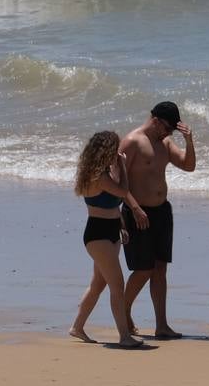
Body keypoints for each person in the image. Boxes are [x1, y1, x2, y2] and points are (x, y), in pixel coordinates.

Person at [120, 101, 195, 339]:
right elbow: (117, 181)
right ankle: (122, 311)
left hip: (162, 212)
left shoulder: (165, 143)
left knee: (160, 268)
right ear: (155, 120)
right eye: (167, 127)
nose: (169, 132)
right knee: (143, 269)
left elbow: (188, 166)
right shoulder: (133, 141)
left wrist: (189, 141)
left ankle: (161, 325)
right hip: (137, 213)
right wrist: (134, 208)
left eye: (173, 129)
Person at [69, 131, 148, 348]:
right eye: (114, 149)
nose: (118, 152)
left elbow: (113, 205)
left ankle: (77, 327)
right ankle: (124, 336)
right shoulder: (98, 177)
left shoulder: (103, 173)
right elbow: (123, 191)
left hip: (112, 230)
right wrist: (122, 166)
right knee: (117, 285)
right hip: (98, 235)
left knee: (98, 284)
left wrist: (121, 224)